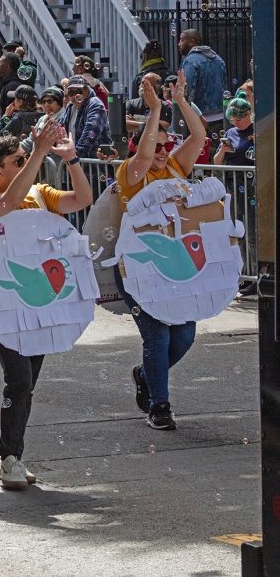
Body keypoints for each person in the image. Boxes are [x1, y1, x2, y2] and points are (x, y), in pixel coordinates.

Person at [0, 126, 92, 489]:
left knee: (28, 383)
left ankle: (14, 455)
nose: (26, 163)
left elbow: (82, 199)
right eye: (17, 161)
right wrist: (38, 150)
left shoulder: (40, 194)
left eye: (25, 158)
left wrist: (71, 159)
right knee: (18, 380)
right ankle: (9, 458)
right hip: (3, 305)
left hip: (42, 304)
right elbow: (6, 207)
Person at [116, 71, 206, 431]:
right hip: (138, 266)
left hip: (177, 263)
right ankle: (160, 405)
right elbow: (143, 153)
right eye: (156, 146)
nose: (162, 152)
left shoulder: (175, 165)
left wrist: (180, 101)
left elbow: (199, 136)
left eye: (167, 146)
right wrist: (153, 110)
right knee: (158, 335)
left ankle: (146, 375)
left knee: (184, 336)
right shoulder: (131, 171)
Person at [214, 91, 256, 295]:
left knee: (252, 232)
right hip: (234, 186)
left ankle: (256, 275)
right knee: (237, 230)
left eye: (239, 119)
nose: (236, 123)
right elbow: (216, 162)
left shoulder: (257, 130)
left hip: (252, 186)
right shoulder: (230, 133)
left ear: (249, 115)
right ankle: (244, 274)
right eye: (233, 119)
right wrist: (223, 150)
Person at [59, 75, 112, 160]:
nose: (74, 96)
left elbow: (92, 130)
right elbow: (60, 126)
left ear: (86, 90)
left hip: (93, 163)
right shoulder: (70, 106)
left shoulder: (95, 104)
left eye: (78, 91)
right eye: (71, 93)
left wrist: (77, 152)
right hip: (75, 160)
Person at [179, 29, 227, 124]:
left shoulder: (190, 61)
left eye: (182, 40)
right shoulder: (218, 59)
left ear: (192, 41)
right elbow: (224, 86)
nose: (179, 44)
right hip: (221, 115)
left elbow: (187, 91)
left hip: (201, 117)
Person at [20, 86, 64, 154]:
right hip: (38, 160)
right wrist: (16, 149)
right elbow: (31, 140)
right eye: (43, 102)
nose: (46, 105)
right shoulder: (42, 118)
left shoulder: (64, 118)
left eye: (50, 101)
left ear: (59, 103)